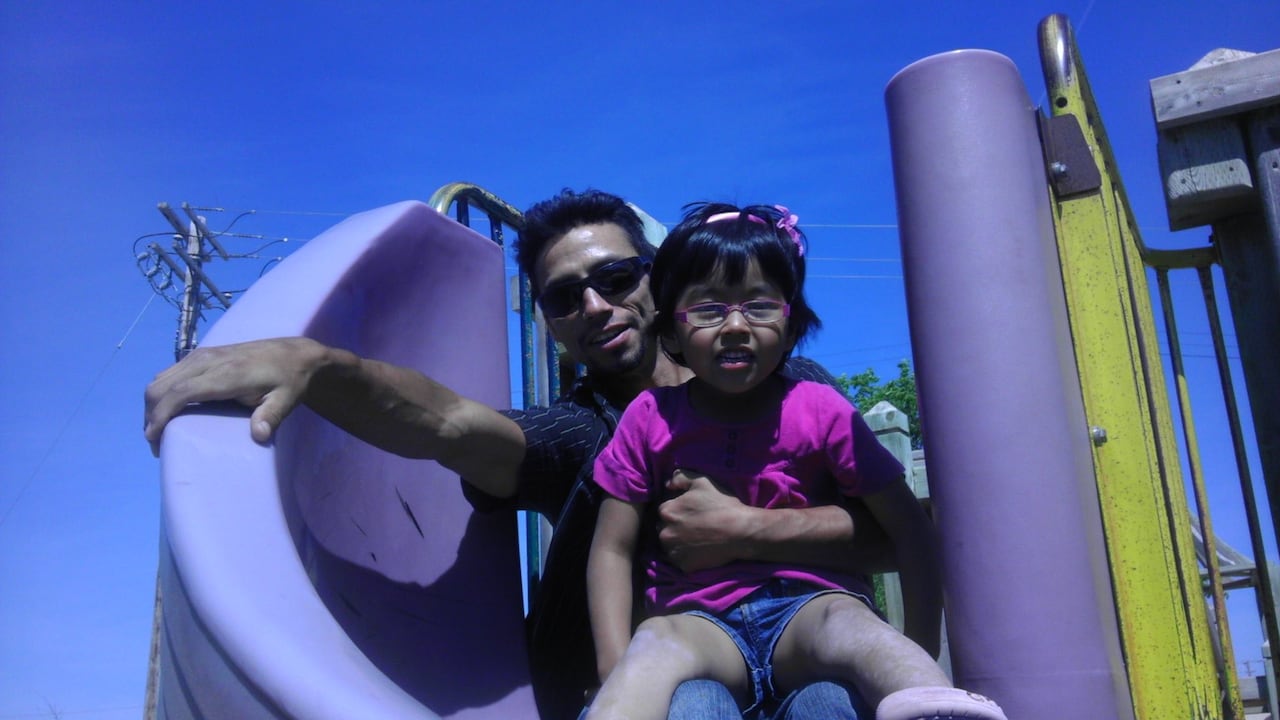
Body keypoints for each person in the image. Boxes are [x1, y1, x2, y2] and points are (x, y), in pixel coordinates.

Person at [143, 189, 890, 719]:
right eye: (564, 297)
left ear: (659, 280)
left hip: (804, 664)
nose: (594, 306)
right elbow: (449, 423)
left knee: (830, 702)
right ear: (551, 323)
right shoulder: (584, 435)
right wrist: (322, 366)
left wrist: (749, 528)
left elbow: (901, 533)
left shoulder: (799, 392)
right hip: (663, 692)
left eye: (615, 278)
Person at [583, 203, 1007, 720]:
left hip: (806, 613)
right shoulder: (650, 417)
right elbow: (612, 548)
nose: (735, 325)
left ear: (790, 325)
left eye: (759, 306)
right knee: (655, 639)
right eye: (709, 309)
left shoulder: (822, 410)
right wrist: (613, 667)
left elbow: (910, 529)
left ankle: (932, 703)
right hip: (700, 624)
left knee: (846, 622)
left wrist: (919, 645)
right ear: (670, 331)